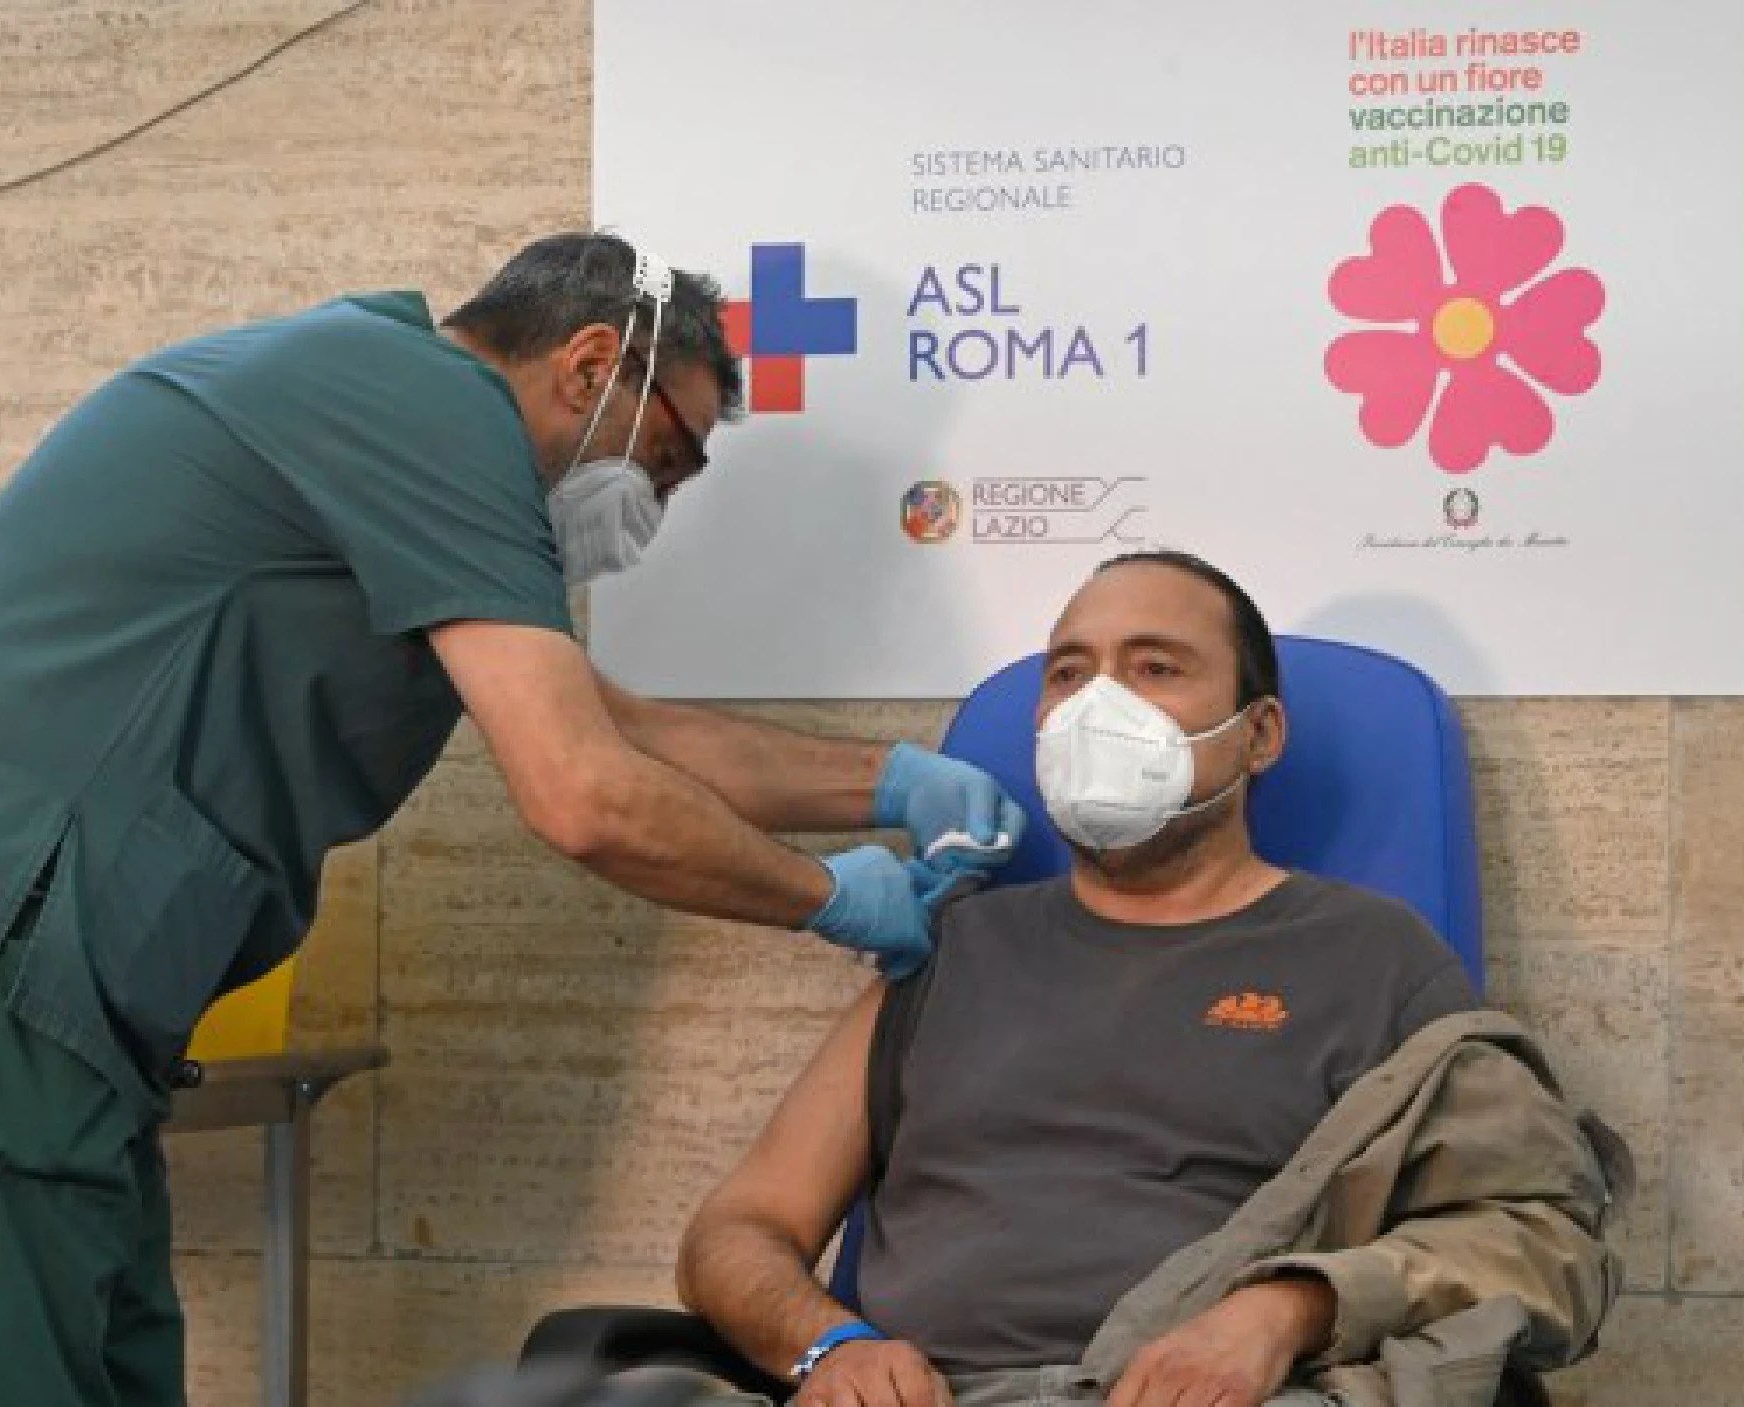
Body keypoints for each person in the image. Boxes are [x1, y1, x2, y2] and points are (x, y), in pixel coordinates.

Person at [0, 232, 1024, 1407]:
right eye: (669, 457)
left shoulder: (382, 422)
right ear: (589, 367)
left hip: (49, 984)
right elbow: (584, 795)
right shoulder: (426, 406)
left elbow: (624, 728)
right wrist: (833, 899)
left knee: (106, 1363)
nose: (659, 505)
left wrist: (891, 780)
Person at [676, 552, 1630, 1407]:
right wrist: (829, 1348)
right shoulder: (947, 951)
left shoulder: (1375, 958)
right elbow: (739, 1228)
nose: (1101, 702)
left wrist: (1286, 1312)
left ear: (1259, 735)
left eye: (1155, 667)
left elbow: (1541, 1242)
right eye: (1069, 672)